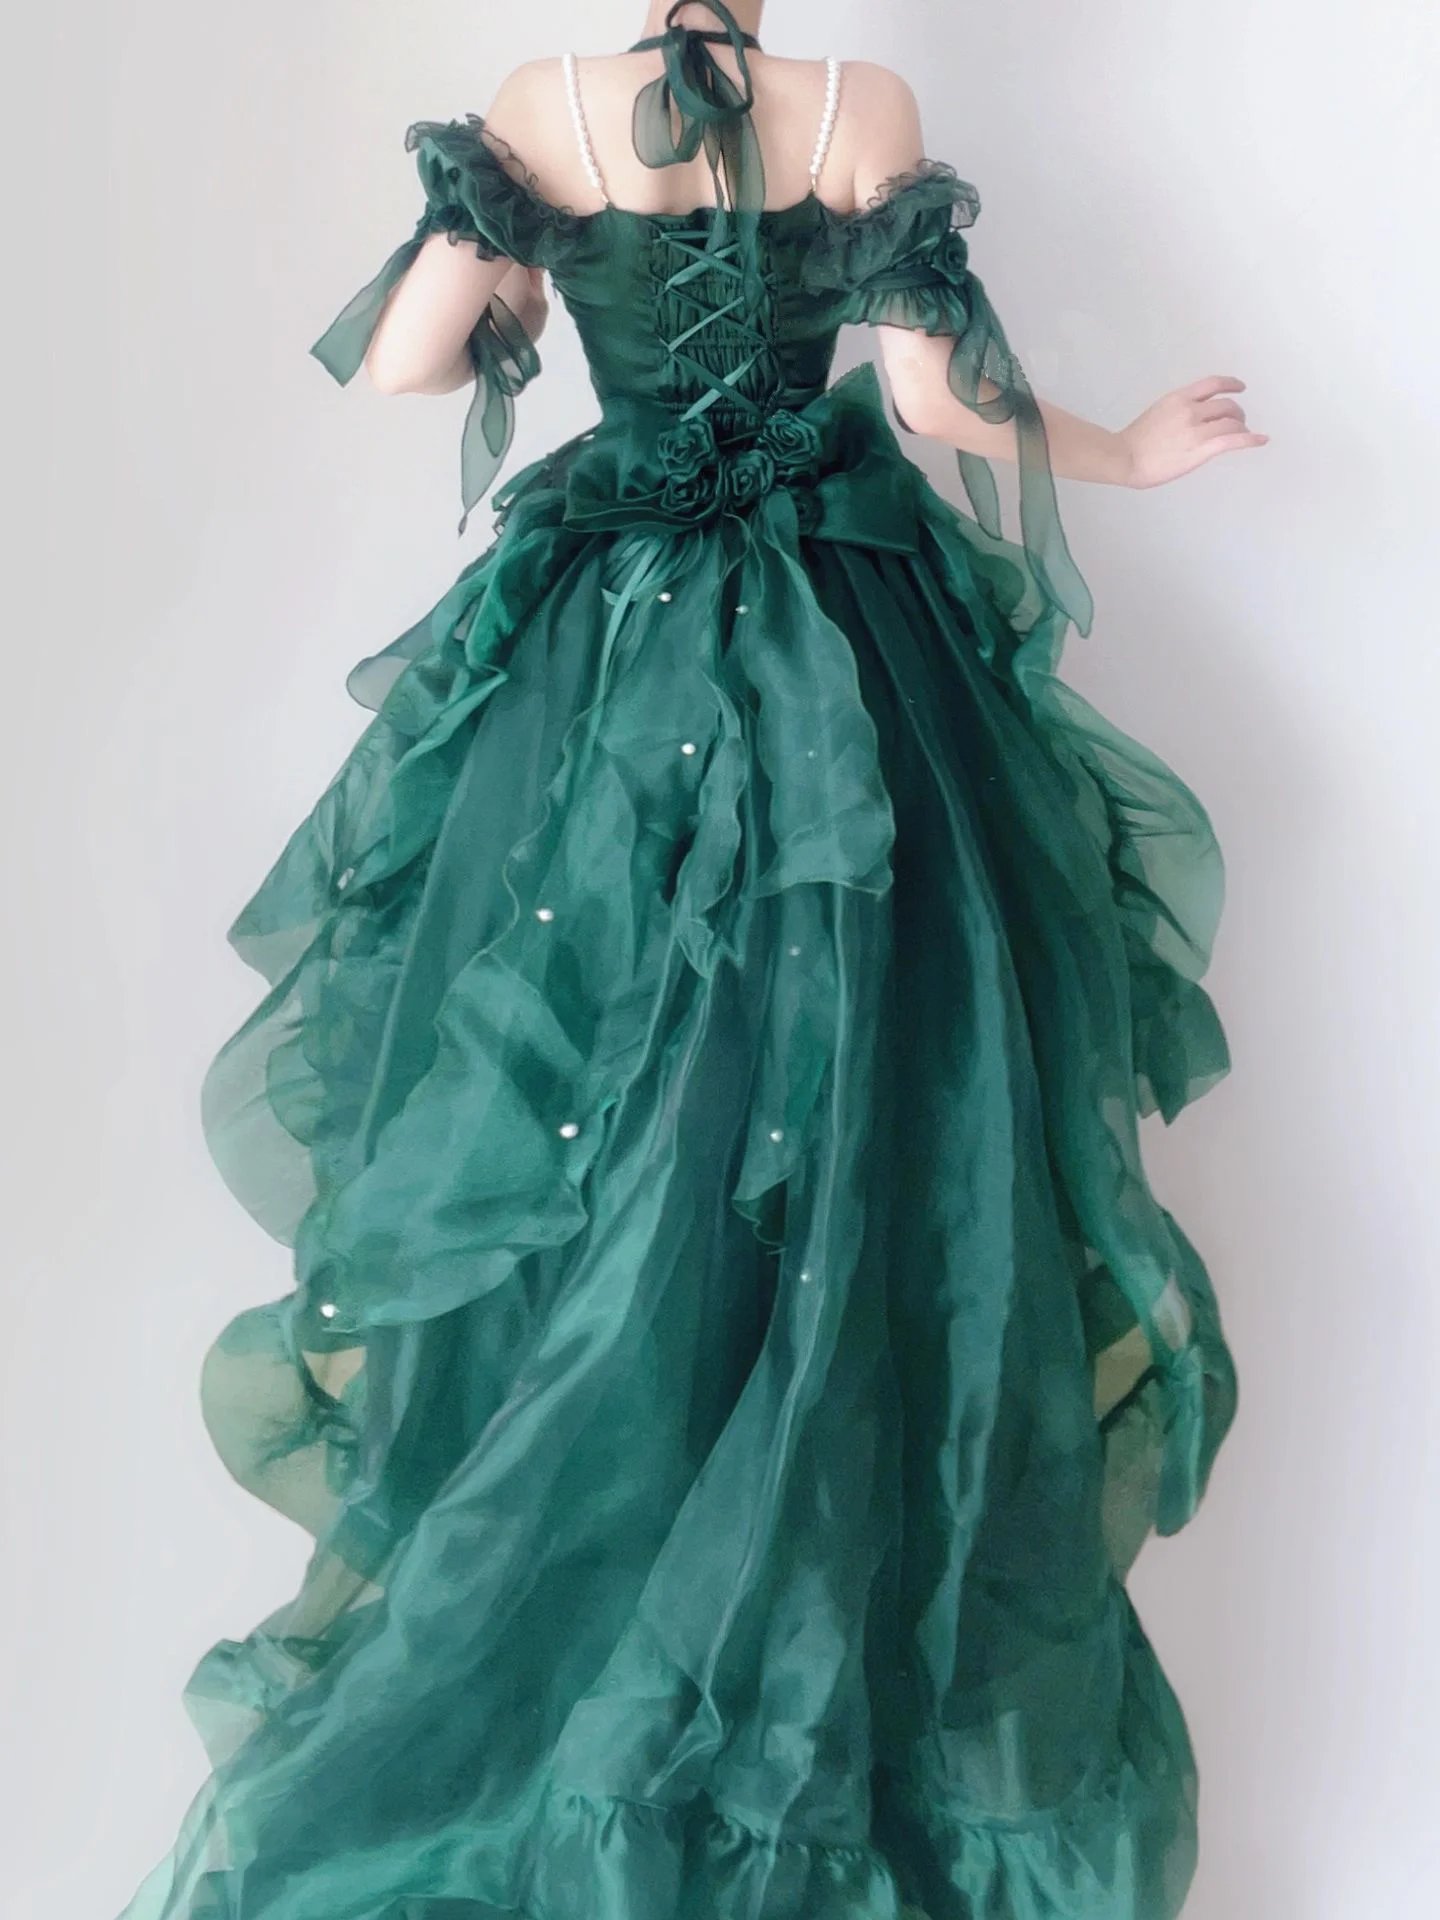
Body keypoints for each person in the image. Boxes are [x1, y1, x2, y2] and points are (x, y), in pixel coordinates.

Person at [118, 5, 1258, 1917]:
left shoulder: (545, 107)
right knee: (852, 1117)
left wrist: (498, 249)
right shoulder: (858, 105)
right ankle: (775, 1666)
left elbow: (402, 364)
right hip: (842, 661)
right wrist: (1125, 456)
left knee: (611, 1114)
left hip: (609, 660)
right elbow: (935, 403)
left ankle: (602, 1652)